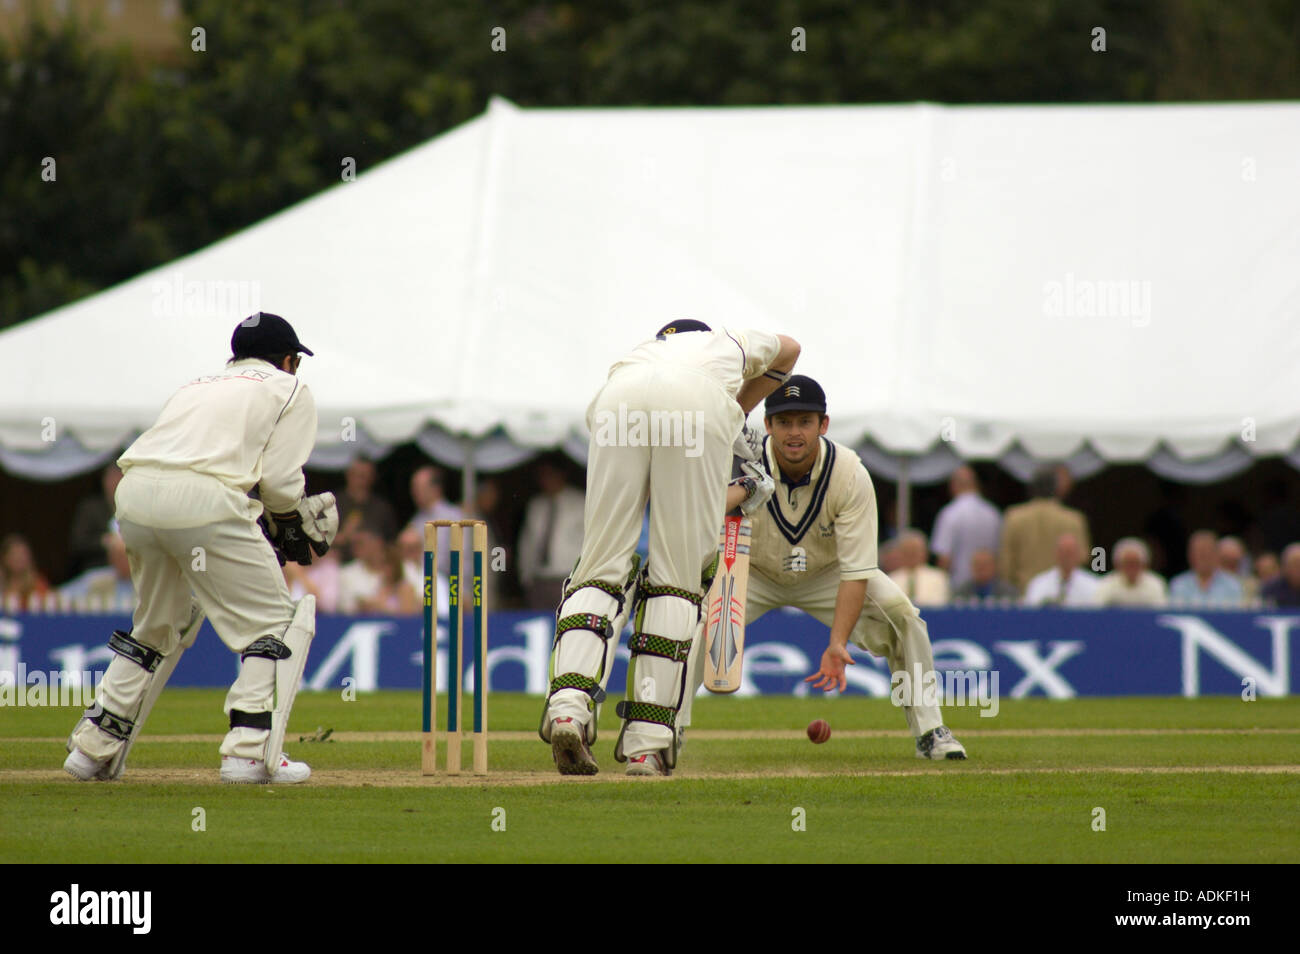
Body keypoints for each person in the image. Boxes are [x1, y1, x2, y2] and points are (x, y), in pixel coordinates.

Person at [64, 312, 337, 784]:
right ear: (289, 360)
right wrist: (288, 517)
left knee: (154, 626)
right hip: (205, 500)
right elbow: (279, 481)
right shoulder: (290, 388)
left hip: (135, 495)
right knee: (275, 621)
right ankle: (248, 753)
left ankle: (93, 747)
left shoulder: (196, 385)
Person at [541, 319, 800, 777]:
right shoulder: (728, 341)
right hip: (698, 405)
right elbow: (791, 350)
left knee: (600, 566)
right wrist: (734, 409)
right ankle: (647, 743)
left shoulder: (642, 350)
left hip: (617, 401)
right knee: (677, 580)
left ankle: (568, 708)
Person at [681, 375, 968, 763]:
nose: (794, 433)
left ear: (823, 425)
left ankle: (930, 731)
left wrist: (838, 643)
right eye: (784, 423)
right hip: (752, 572)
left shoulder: (849, 474)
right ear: (768, 426)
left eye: (804, 422)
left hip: (828, 574)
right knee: (692, 625)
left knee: (904, 617)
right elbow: (700, 517)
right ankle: (669, 729)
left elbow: (856, 571)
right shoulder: (740, 461)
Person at [999, 465, 1091, 594]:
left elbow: (1006, 565)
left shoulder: (1014, 518)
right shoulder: (1073, 520)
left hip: (1024, 591)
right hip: (1062, 593)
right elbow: (1083, 558)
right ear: (1055, 488)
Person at [517, 459, 586, 609]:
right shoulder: (536, 506)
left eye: (551, 475)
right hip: (539, 580)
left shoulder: (580, 503)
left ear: (561, 475)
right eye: (543, 476)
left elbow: (590, 540)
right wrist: (526, 577)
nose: (547, 480)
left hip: (569, 578)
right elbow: (527, 543)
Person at [930, 465, 1001, 591]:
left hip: (959, 587)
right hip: (990, 586)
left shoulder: (950, 513)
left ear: (953, 486)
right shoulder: (993, 513)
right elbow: (999, 553)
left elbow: (944, 558)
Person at [333, 457, 398, 560]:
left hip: (376, 567)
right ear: (348, 475)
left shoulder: (382, 508)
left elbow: (393, 545)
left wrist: (375, 544)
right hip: (340, 567)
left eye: (366, 476)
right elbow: (316, 543)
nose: (362, 481)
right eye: (358, 476)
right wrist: (344, 536)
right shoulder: (333, 504)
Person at [66, 464, 123, 577]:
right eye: (112, 479)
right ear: (104, 481)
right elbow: (78, 542)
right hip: (99, 570)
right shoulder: (90, 508)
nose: (115, 483)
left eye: (119, 478)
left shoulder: (134, 508)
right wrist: (103, 541)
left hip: (129, 573)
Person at [59, 528, 135, 610]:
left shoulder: (147, 583)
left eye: (126, 556)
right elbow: (59, 596)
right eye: (118, 556)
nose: (123, 561)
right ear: (111, 558)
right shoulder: (96, 580)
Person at [406, 465, 461, 574]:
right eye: (414, 488)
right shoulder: (416, 519)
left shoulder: (453, 517)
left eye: (420, 488)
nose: (415, 493)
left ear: (436, 489)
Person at [1022, 533, 1101, 607]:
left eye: (1070, 553)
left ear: (1078, 555)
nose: (1066, 558)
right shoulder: (1039, 584)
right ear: (1056, 554)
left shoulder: (1093, 585)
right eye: (1063, 552)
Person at [1169, 531, 1243, 606]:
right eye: (1199, 554)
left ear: (1216, 554)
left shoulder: (1232, 585)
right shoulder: (1179, 584)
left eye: (1207, 553)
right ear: (1190, 556)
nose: (1203, 559)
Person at [1094, 537, 1168, 607]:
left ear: (1144, 565)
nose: (1131, 568)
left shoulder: (1155, 584)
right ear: (1117, 565)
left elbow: (1161, 612)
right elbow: (1098, 610)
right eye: (1127, 563)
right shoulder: (1107, 584)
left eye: (1135, 563)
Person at [887, 529, 951, 606]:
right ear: (900, 553)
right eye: (908, 551)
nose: (911, 555)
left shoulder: (938, 577)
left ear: (925, 553)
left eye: (915, 551)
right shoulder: (890, 580)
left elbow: (940, 604)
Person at [1, 534, 51, 610]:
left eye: (22, 554)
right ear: (4, 558)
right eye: (14, 554)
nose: (18, 558)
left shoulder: (38, 584)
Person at [952, 548, 1018, 601]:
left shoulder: (1008, 593)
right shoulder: (961, 594)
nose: (981, 569)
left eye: (985, 565)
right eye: (977, 565)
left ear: (994, 566)